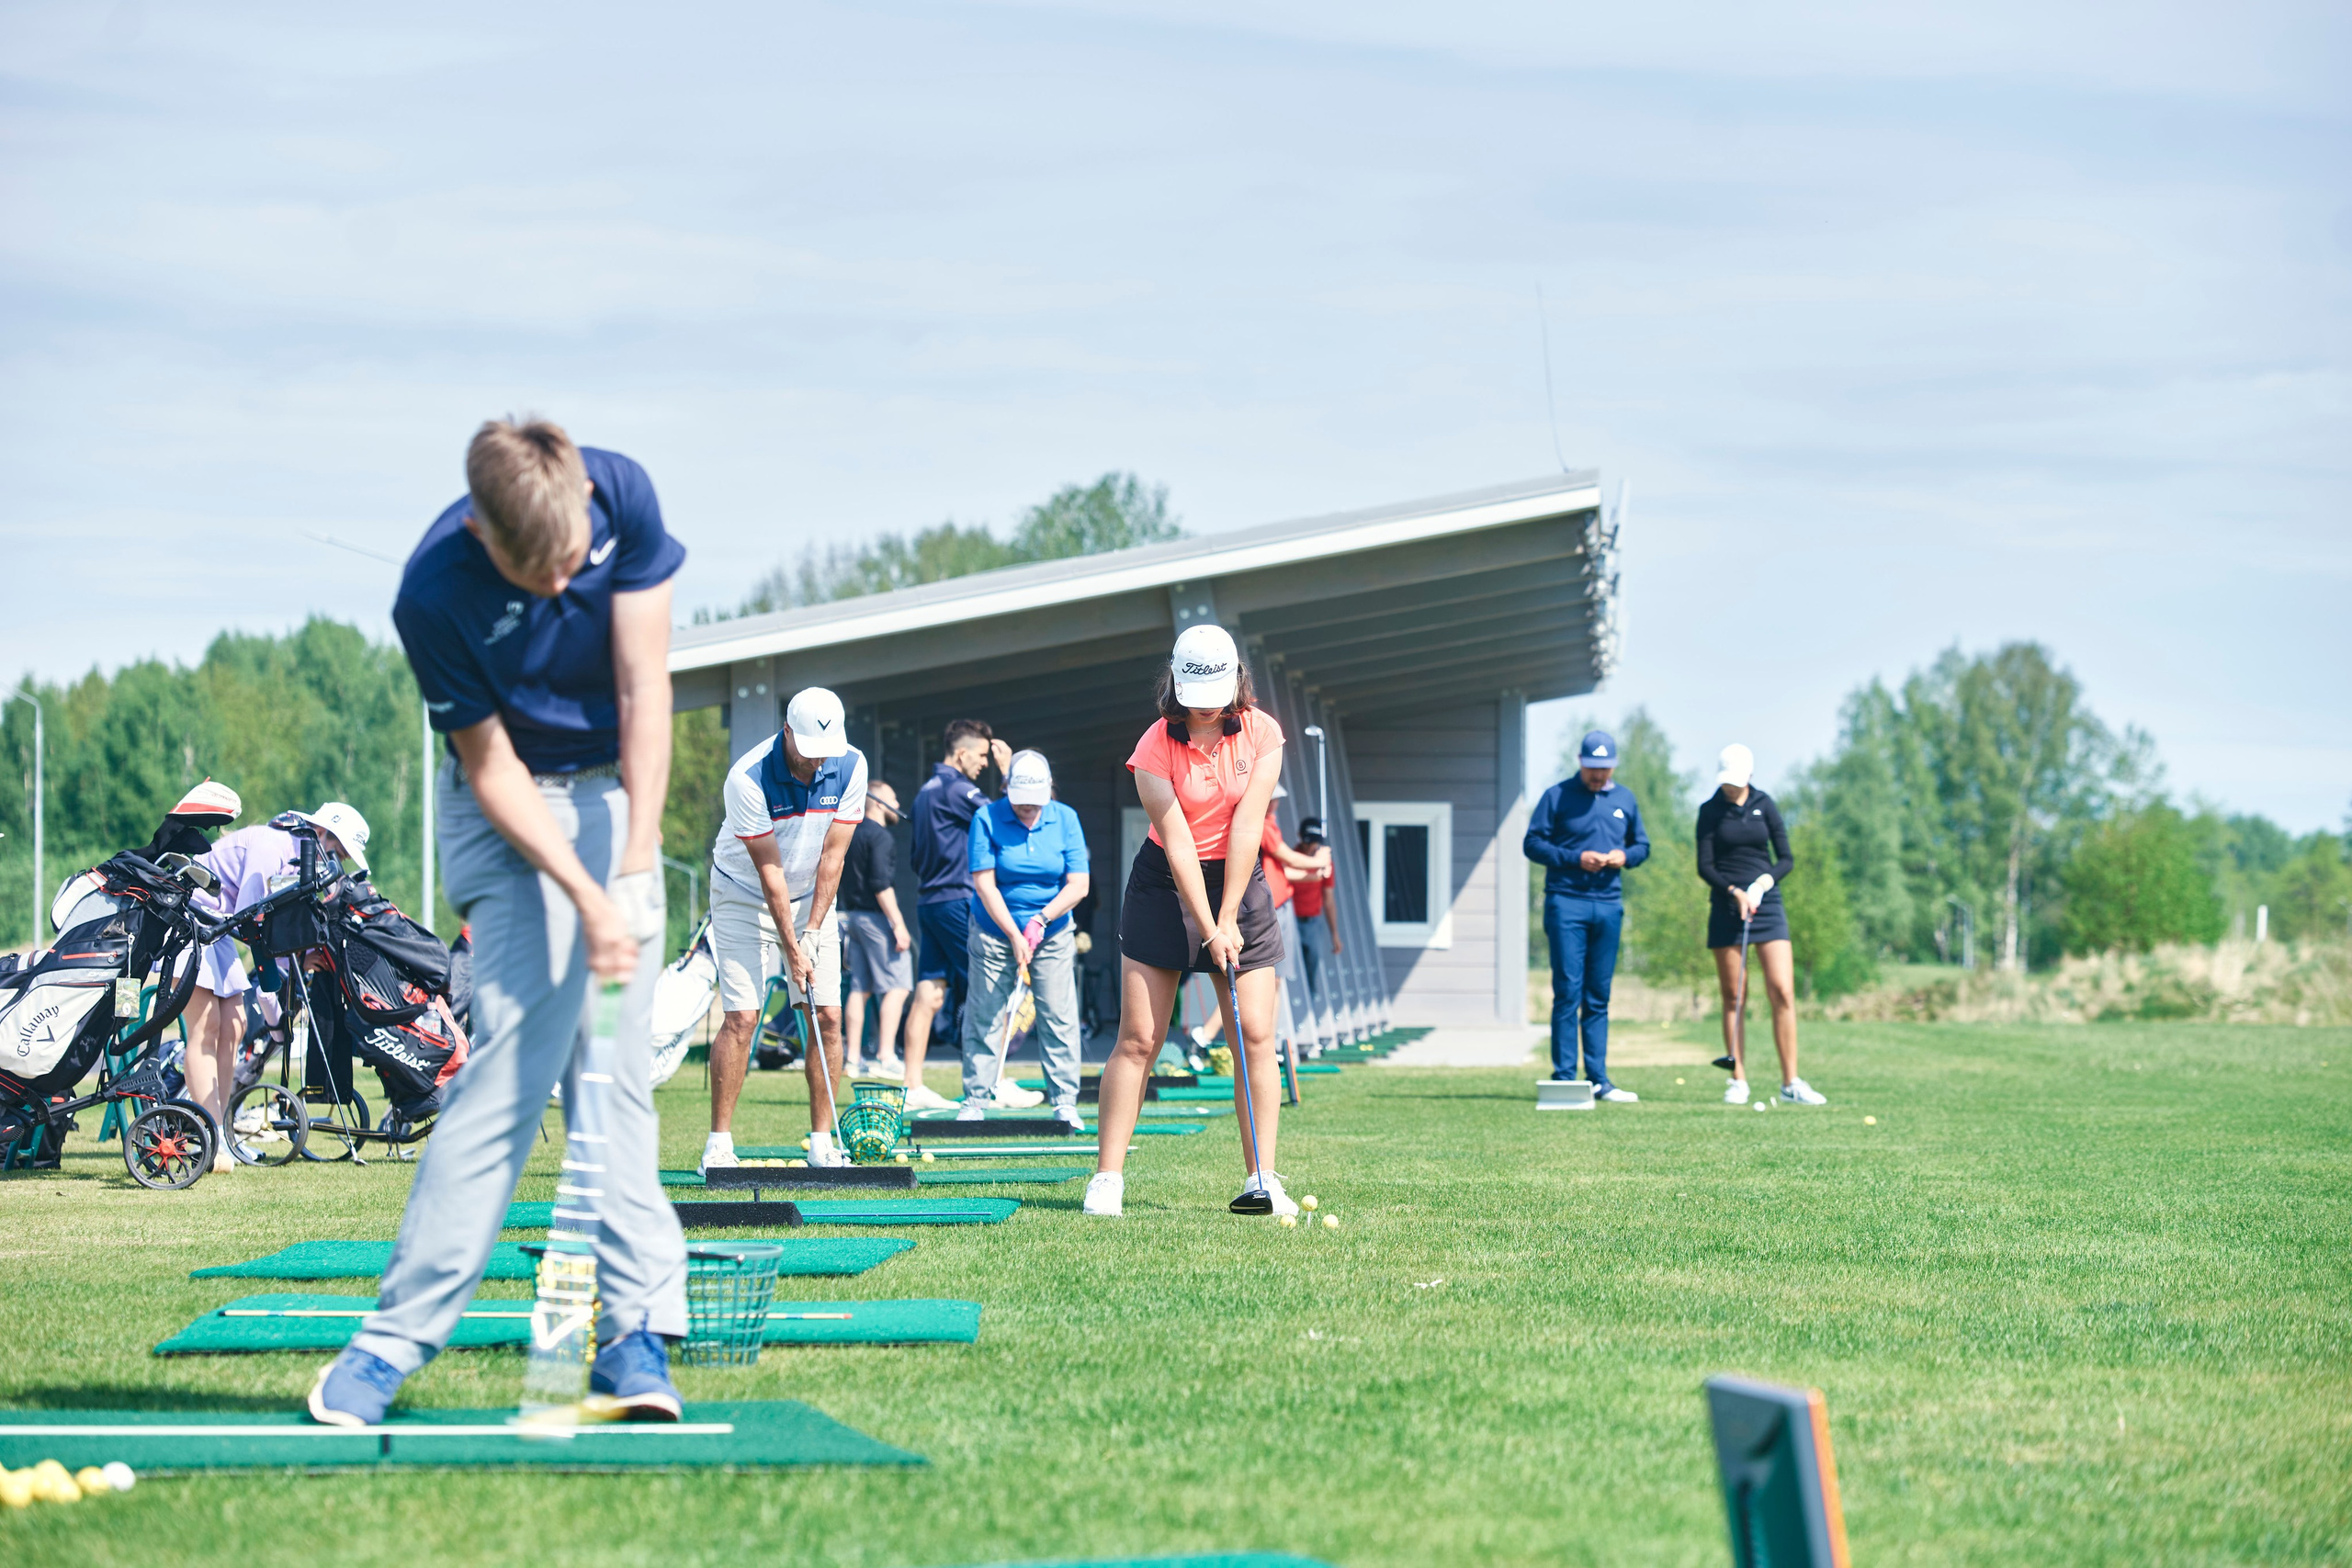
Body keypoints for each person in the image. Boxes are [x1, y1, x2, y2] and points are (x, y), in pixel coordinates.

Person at [311, 417, 685, 1427]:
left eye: (575, 563)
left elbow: (644, 686)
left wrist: (639, 862)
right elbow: (492, 769)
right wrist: (591, 895)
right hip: (507, 806)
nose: (565, 589)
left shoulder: (623, 496)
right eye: (541, 575)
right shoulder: (433, 592)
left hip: (613, 795)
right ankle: (389, 1345)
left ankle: (635, 1336)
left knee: (615, 1081)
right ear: (483, 533)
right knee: (513, 1074)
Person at [1087, 623, 1290, 1220]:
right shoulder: (1153, 747)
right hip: (1164, 886)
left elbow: (1250, 825)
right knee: (1139, 1038)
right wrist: (1208, 926)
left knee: (1254, 1033)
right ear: (1175, 684)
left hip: (1239, 877)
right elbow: (1176, 845)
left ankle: (1262, 1176)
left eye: (1217, 692)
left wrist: (1229, 917)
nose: (1206, 705)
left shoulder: (1263, 732)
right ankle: (1107, 1178)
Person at [702, 686, 866, 1172]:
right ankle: (718, 1145)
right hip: (741, 893)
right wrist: (793, 950)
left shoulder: (851, 765)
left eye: (826, 754)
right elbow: (770, 873)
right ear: (787, 732)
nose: (819, 764)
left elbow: (833, 857)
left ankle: (821, 1144)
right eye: (809, 753)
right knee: (743, 1018)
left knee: (827, 1015)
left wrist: (812, 931)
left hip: (811, 898)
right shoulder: (747, 777)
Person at [187, 800, 372, 1168]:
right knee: (206, 1029)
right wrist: (277, 1009)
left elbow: (263, 930)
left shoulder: (296, 861)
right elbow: (249, 920)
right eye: (340, 851)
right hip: (189, 922)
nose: (339, 862)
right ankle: (207, 1137)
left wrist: (296, 963)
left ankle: (220, 1133)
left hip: (215, 931)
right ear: (323, 834)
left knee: (235, 1027)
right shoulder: (272, 848)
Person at [901, 719, 1035, 1112]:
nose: (982, 764)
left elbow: (914, 857)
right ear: (961, 754)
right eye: (979, 756)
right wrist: (1009, 769)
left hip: (929, 901)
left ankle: (912, 1085)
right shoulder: (956, 788)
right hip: (957, 899)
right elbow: (1008, 814)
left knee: (930, 991)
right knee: (992, 985)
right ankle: (994, 1080)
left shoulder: (925, 792)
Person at [959, 750, 1091, 1128]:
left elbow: (1078, 884)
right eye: (1021, 804)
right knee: (985, 1011)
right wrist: (1015, 934)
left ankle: (1064, 1101)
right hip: (993, 928)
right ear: (1006, 789)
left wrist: (1040, 919)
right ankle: (975, 1100)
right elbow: (984, 883)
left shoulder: (1066, 818)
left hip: (1052, 928)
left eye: (1035, 804)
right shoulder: (986, 817)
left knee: (1058, 1014)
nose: (1028, 810)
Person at [1522, 728, 1650, 1103]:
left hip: (1609, 904)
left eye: (1605, 768)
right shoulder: (1557, 796)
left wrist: (1624, 857)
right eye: (1593, 768)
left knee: (1599, 994)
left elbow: (1642, 845)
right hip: (1566, 902)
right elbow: (1532, 843)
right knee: (1568, 991)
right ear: (1580, 762)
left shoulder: (1625, 798)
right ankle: (1564, 1078)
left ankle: (1599, 1080)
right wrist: (1575, 858)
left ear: (1613, 765)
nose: (1599, 775)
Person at [1698, 743, 1825, 1106]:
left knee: (1782, 991)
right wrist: (1735, 891)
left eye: (1736, 782)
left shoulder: (1765, 804)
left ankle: (1790, 1083)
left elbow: (1786, 858)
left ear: (1749, 776)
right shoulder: (1709, 811)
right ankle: (1737, 1080)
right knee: (1734, 995)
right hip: (1726, 906)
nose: (1730, 789)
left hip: (1766, 905)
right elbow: (1704, 865)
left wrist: (1760, 886)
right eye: (1726, 783)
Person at [1185, 784, 1330, 1059]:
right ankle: (1208, 1034)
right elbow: (1287, 859)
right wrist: (1315, 862)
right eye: (1272, 798)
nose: (1274, 804)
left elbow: (1283, 872)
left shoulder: (1268, 823)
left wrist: (1314, 870)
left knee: (1274, 982)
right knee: (1255, 981)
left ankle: (1264, 1043)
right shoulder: (1260, 823)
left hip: (1275, 904)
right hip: (1267, 909)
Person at [839, 780, 912, 1077]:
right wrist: (899, 925)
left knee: (861, 987)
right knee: (898, 985)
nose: (897, 803)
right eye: (893, 797)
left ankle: (853, 1060)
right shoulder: (880, 837)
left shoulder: (851, 833)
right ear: (879, 802)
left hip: (851, 918)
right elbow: (881, 885)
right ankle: (885, 1056)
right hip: (874, 919)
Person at [1286, 815, 1344, 1051]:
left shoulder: (1324, 862)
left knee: (1310, 972)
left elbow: (1329, 900)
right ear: (1300, 838)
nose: (1312, 847)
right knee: (1288, 973)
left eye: (1316, 842)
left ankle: (1307, 1024)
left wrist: (1335, 934)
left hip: (1312, 923)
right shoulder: (1290, 856)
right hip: (1289, 921)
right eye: (1308, 841)